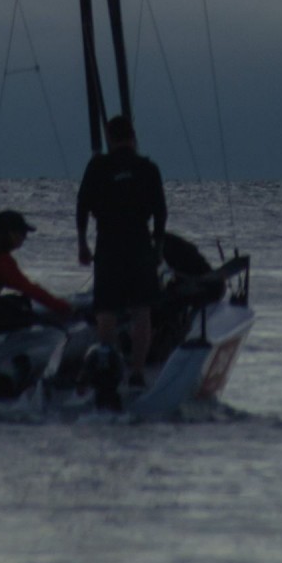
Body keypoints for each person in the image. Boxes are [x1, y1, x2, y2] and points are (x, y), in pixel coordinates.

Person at [75, 113, 168, 388]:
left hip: (108, 244)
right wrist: (159, 246)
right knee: (142, 311)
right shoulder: (147, 168)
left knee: (107, 309)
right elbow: (161, 213)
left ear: (110, 139)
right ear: (133, 137)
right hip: (140, 243)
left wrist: (82, 242)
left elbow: (82, 206)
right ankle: (137, 372)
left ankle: (107, 364)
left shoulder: (98, 167)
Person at [0, 209, 74, 332]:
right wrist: (63, 308)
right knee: (23, 310)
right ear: (11, 234)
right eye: (23, 233)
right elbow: (28, 288)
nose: (24, 238)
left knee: (13, 302)